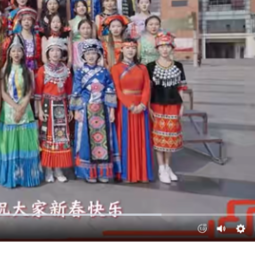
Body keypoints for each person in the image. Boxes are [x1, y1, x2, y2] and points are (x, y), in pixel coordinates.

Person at [0, 35, 42, 188]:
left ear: (23, 53)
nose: (16, 54)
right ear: (9, 53)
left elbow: (30, 92)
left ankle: (27, 176)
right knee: (10, 144)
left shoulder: (28, 71)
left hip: (25, 109)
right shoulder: (4, 70)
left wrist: (21, 108)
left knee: (25, 143)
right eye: (13, 51)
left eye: (19, 51)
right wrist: (15, 108)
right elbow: (2, 92)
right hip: (9, 110)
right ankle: (11, 176)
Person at [70, 40, 119, 183]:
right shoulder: (79, 72)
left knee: (103, 141)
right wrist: (76, 111)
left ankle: (103, 172)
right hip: (86, 109)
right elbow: (76, 90)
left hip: (102, 110)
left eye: (93, 53)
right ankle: (89, 172)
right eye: (88, 54)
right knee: (86, 141)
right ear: (83, 56)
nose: (91, 56)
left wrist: (111, 111)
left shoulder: (104, 72)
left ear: (98, 56)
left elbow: (110, 90)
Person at [146, 32, 187, 184]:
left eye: (167, 46)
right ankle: (161, 167)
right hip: (156, 104)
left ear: (172, 48)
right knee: (159, 137)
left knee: (170, 137)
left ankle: (168, 166)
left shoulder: (178, 66)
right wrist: (149, 106)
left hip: (173, 105)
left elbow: (181, 88)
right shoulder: (150, 67)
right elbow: (148, 90)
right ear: (157, 48)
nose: (164, 49)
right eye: (161, 46)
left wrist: (182, 106)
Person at [111, 37, 153, 183]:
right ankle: (126, 173)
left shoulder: (143, 68)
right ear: (122, 49)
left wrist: (142, 104)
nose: (130, 50)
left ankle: (142, 173)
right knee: (125, 139)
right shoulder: (116, 68)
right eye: (127, 47)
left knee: (141, 140)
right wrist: (130, 105)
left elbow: (146, 88)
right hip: (124, 107)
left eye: (133, 48)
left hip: (141, 107)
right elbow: (117, 90)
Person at [35, 37, 73, 183]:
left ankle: (58, 168)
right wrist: (39, 110)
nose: (55, 53)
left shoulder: (66, 70)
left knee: (60, 138)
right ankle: (48, 168)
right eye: (52, 50)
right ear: (48, 53)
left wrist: (70, 109)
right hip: (47, 107)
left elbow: (69, 92)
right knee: (47, 139)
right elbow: (38, 93)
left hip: (61, 108)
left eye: (58, 50)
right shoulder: (43, 70)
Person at [41, 0, 73, 66]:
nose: (56, 24)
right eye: (53, 22)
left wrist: (67, 68)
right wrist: (51, 69)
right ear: (49, 24)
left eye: (58, 22)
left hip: (64, 66)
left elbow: (70, 57)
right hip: (50, 67)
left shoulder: (66, 36)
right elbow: (44, 58)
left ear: (61, 24)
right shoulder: (45, 37)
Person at [14, 7, 42, 73]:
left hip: (34, 68)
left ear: (33, 22)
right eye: (24, 20)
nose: (26, 22)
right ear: (20, 22)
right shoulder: (16, 37)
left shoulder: (36, 38)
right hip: (20, 67)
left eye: (29, 19)